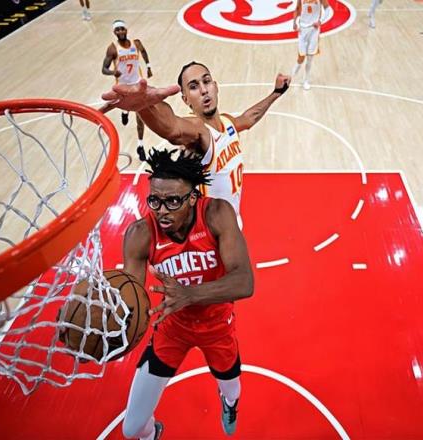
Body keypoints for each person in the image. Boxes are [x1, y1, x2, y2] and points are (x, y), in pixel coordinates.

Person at [121, 147, 254, 440]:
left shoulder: (217, 213)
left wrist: (189, 294)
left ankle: (228, 403)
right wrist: (103, 329)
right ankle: (152, 434)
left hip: (217, 327)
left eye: (172, 201)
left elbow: (244, 282)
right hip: (172, 329)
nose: (162, 210)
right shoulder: (140, 234)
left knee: (232, 390)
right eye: (155, 200)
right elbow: (130, 301)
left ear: (192, 197)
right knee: (131, 430)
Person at [100, 62, 290, 218]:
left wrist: (276, 93)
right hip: (209, 238)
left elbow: (249, 118)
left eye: (206, 81)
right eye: (193, 87)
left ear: (216, 86)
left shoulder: (227, 123)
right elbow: (173, 129)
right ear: (185, 100)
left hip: (231, 224)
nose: (203, 90)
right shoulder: (198, 130)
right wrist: (143, 106)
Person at [102, 19, 153, 155]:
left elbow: (144, 52)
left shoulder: (136, 43)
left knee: (140, 114)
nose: (120, 31)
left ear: (126, 30)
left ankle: (140, 146)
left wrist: (148, 66)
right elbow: (104, 69)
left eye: (122, 29)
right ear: (114, 32)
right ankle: (125, 112)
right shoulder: (113, 48)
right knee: (122, 105)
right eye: (117, 30)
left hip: (137, 84)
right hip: (122, 86)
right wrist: (113, 72)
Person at [291, 0, 331, 91]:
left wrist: (320, 21)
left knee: (310, 58)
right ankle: (292, 75)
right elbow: (297, 9)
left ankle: (306, 80)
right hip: (303, 29)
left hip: (314, 30)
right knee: (301, 58)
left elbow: (327, 8)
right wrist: (294, 22)